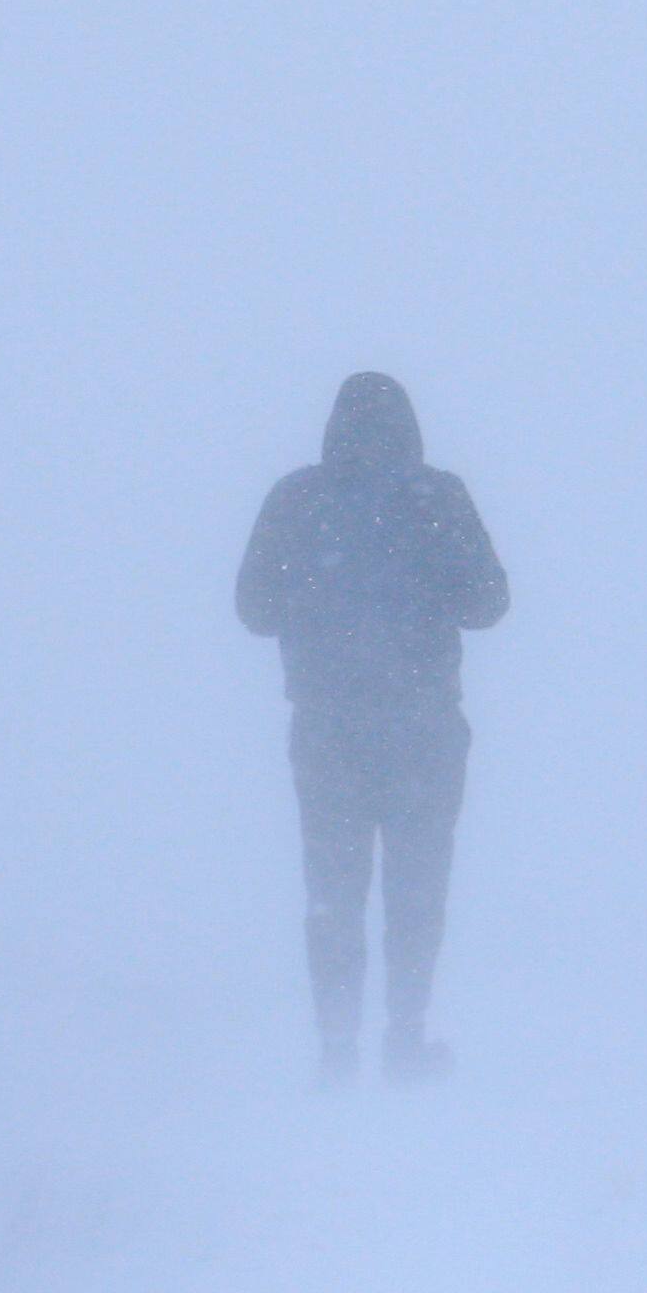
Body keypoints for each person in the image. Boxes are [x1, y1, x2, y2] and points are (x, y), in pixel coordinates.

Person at [235, 372, 509, 1083]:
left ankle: (335, 1047)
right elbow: (488, 604)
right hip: (422, 726)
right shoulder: (437, 497)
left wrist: (319, 603)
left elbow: (254, 610)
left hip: (327, 726)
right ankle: (406, 1037)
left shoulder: (298, 498)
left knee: (333, 890)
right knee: (417, 886)